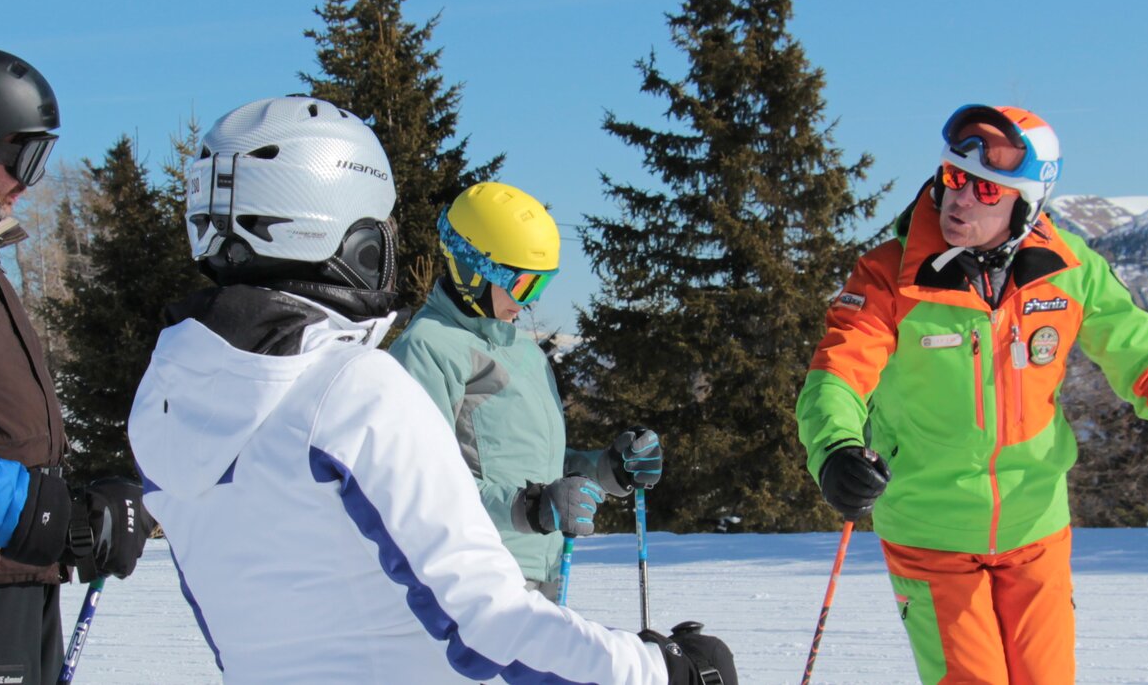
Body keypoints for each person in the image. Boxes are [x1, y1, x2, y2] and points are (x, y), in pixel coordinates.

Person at [128, 96, 733, 684]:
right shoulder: (353, 390)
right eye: (379, 228)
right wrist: (658, 670)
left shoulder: (161, 404)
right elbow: (484, 619)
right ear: (352, 237)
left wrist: (601, 471)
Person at [796, 104, 1148, 684]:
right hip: (930, 532)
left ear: (1026, 203)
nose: (959, 199)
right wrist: (835, 448)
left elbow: (1144, 356)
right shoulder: (889, 275)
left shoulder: (1070, 270)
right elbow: (837, 373)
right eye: (953, 178)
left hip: (1035, 529)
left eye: (987, 190)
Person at [0, 0, 152, 685]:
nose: (29, 182)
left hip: (10, 561)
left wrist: (67, 504)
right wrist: (53, 516)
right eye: (20, 158)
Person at [388, 181, 664, 600]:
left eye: (540, 285)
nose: (529, 301)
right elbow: (419, 486)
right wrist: (529, 507)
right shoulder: (427, 349)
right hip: (474, 578)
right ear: (472, 269)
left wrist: (609, 469)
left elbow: (536, 468)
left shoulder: (523, 350)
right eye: (522, 286)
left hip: (543, 571)